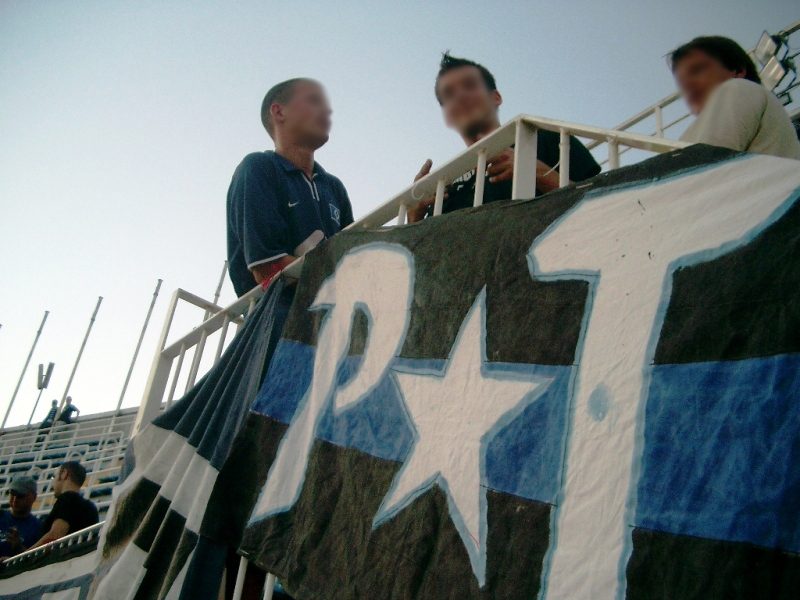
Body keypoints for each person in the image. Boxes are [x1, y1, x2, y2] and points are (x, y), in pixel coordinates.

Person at [408, 53, 601, 222]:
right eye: (449, 95)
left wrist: (535, 171)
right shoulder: (444, 186)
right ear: (447, 115)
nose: (459, 96)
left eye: (469, 85)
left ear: (496, 98)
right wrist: (413, 217)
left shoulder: (547, 139)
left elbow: (603, 206)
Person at [226, 78, 354, 298]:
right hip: (277, 323)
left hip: (333, 323)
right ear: (279, 112)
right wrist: (343, 284)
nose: (327, 110)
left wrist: (414, 215)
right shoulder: (258, 168)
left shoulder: (334, 187)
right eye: (314, 100)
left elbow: (358, 257)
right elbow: (266, 268)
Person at [671, 36, 800, 160]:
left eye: (697, 70)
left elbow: (704, 163)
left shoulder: (737, 87)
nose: (688, 85)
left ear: (738, 70)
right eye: (682, 82)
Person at [32, 461, 98, 548]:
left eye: (54, 477)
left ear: (64, 474)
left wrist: (25, 557)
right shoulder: (91, 507)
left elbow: (55, 535)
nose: (53, 482)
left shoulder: (67, 499)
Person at [0, 476, 42, 558]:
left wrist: (18, 547)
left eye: (20, 496)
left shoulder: (38, 527)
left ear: (33, 497)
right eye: (12, 494)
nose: (15, 500)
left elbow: (35, 559)